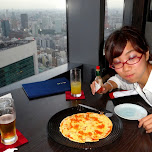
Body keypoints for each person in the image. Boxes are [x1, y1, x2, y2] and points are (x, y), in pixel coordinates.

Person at [90, 26, 152, 133]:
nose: (126, 68)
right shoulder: (137, 79)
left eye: (132, 57)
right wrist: (106, 87)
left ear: (146, 54)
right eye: (118, 62)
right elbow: (119, 80)